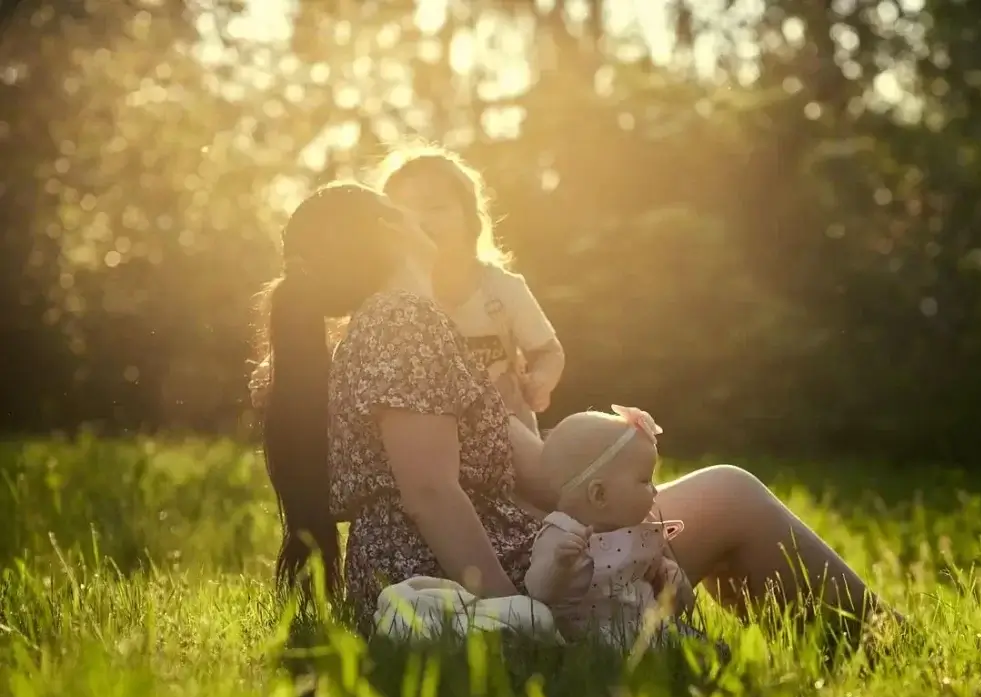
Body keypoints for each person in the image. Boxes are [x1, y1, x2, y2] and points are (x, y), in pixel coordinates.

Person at [260, 180, 901, 645]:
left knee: (696, 510)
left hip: (481, 554)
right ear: (391, 231)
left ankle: (839, 649)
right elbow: (430, 492)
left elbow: (543, 473)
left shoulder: (408, 329)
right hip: (455, 577)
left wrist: (615, 446)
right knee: (731, 493)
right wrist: (520, 619)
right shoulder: (400, 319)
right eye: (403, 206)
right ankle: (888, 649)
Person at [374, 145, 565, 436]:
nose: (421, 221)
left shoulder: (502, 288)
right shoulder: (394, 299)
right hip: (438, 443)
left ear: (470, 218)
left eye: (436, 208)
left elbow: (547, 351)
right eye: (405, 213)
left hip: (509, 434)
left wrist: (540, 379)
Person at [524, 405, 706, 648]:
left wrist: (674, 582)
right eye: (644, 480)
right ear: (599, 494)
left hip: (647, 628)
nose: (653, 490)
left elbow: (675, 602)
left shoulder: (637, 532)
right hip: (596, 636)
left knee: (703, 651)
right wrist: (559, 564)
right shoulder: (561, 533)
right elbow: (537, 592)